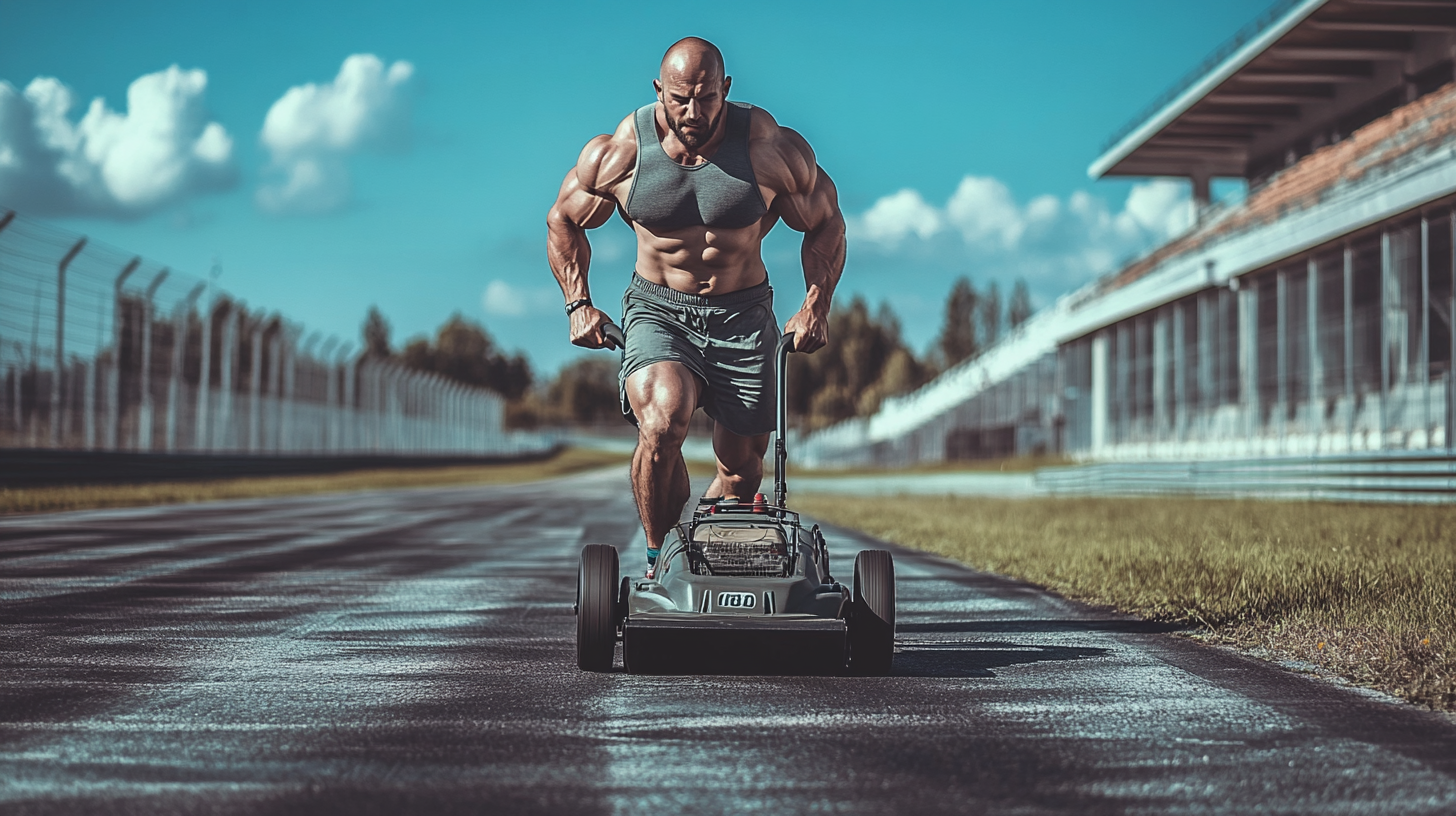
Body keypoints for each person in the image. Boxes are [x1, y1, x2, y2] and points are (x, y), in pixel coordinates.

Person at [546, 36, 846, 575]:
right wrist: (577, 303)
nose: (692, 111)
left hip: (744, 314)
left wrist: (816, 303)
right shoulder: (620, 154)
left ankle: (710, 533)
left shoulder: (769, 148)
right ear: (658, 90)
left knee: (743, 470)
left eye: (706, 98)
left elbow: (827, 221)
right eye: (679, 98)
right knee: (663, 421)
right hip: (660, 310)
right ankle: (661, 556)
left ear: (725, 90)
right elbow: (563, 220)